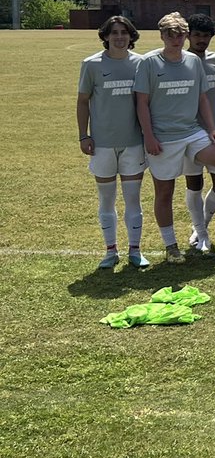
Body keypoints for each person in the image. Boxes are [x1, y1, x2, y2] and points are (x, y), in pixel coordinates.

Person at [134, 12, 215, 264]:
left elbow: (201, 98)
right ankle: (171, 245)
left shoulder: (194, 61)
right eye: (170, 35)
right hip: (163, 138)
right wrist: (149, 136)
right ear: (162, 35)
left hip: (193, 132)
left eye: (180, 34)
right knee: (165, 192)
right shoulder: (149, 62)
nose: (176, 39)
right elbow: (141, 103)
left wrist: (212, 129)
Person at [77, 15, 147, 269]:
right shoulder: (92, 64)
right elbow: (83, 101)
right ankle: (110, 250)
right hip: (102, 144)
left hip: (133, 143)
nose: (120, 37)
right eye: (114, 32)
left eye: (124, 32)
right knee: (106, 200)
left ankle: (135, 251)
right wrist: (84, 135)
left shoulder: (141, 64)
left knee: (133, 200)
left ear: (131, 36)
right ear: (105, 36)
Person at [181, 13, 215, 252]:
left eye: (206, 36)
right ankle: (200, 231)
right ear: (188, 35)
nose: (201, 40)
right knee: (194, 182)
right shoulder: (179, 60)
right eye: (196, 35)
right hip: (187, 132)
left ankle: (203, 224)